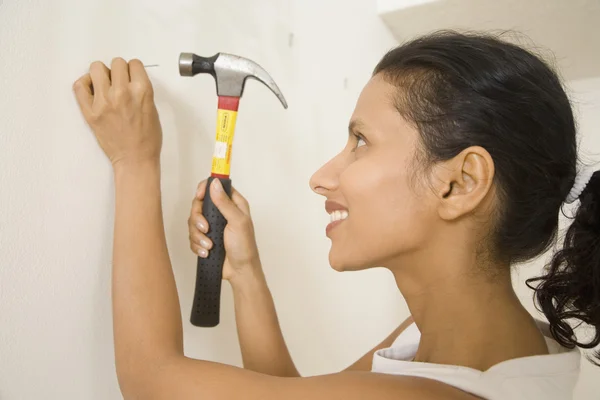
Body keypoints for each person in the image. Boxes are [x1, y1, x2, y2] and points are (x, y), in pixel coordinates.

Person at [72, 30, 599, 399]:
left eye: (360, 142)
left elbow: (150, 378)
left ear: (461, 183)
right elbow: (297, 395)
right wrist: (246, 274)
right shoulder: (479, 343)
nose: (322, 176)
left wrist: (135, 161)